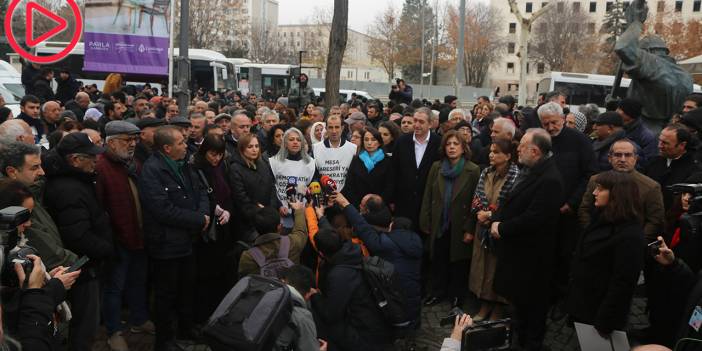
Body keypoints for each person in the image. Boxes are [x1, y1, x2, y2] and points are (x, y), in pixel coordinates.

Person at [489, 128, 563, 351]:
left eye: (521, 145)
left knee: (532, 308)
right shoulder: (531, 170)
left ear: (535, 151)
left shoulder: (550, 179)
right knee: (520, 305)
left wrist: (502, 228)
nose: (517, 149)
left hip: (532, 258)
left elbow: (534, 218)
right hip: (519, 254)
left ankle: (530, 344)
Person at [138, 126, 210, 350]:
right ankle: (165, 340)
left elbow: (199, 192)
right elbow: (162, 210)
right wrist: (198, 220)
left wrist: (203, 215)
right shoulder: (152, 170)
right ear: (167, 148)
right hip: (166, 244)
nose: (185, 145)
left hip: (188, 240)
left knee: (187, 289)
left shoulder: (185, 163)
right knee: (166, 295)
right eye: (180, 142)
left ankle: (185, 329)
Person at [43, 132, 114, 351]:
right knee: (84, 327)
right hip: (82, 269)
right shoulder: (68, 190)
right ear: (75, 159)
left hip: (85, 266)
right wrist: (108, 249)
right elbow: (78, 236)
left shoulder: (76, 180)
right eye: (91, 157)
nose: (96, 161)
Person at [95, 121, 153, 351]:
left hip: (138, 235)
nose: (132, 145)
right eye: (126, 140)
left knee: (138, 281)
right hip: (118, 239)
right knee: (114, 288)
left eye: (134, 140)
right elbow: (99, 209)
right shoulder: (100, 167)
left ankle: (139, 320)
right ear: (111, 142)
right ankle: (113, 331)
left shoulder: (132, 163)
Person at [568, 171, 644, 336]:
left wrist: (605, 320)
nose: (595, 193)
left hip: (599, 311)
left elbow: (623, 283)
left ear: (617, 194)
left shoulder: (630, 234)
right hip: (584, 302)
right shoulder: (601, 216)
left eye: (600, 189)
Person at [333, 192, 423, 327]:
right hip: (413, 306)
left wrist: (345, 204)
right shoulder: (416, 241)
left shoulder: (387, 244)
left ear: (392, 227)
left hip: (397, 306)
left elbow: (363, 229)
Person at [309, 212, 394, 350]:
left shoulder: (339, 276)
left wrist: (315, 296)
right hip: (376, 321)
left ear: (322, 254)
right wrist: (321, 217)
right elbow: (332, 237)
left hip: (364, 334)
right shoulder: (352, 250)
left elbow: (331, 314)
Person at [420, 130, 481, 308]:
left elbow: (475, 201)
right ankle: (437, 292)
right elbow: (428, 194)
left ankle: (456, 296)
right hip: (439, 222)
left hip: (459, 224)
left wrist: (470, 228)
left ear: (463, 148)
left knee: (458, 262)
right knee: (438, 259)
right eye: (448, 144)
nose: (452, 147)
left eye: (456, 144)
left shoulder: (473, 170)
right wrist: (425, 220)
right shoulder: (436, 167)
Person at [0, 141, 78, 270]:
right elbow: (42, 244)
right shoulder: (13, 202)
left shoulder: (33, 192)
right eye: (34, 167)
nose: (42, 172)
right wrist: (73, 264)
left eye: (40, 166)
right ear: (12, 172)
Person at [469, 139, 520, 321]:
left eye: (496, 152)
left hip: (498, 231)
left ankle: (497, 309)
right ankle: (484, 305)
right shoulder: (486, 173)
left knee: (495, 271)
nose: (491, 154)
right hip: (481, 229)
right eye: (491, 151)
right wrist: (480, 212)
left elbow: (510, 205)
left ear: (507, 156)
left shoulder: (515, 177)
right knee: (481, 268)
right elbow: (477, 196)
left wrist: (490, 215)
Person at [579, 139, 664, 241]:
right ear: (610, 158)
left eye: (628, 155)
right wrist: (592, 233)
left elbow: (655, 219)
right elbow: (584, 209)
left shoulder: (651, 187)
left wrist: (638, 240)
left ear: (635, 158)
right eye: (618, 155)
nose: (623, 159)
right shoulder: (596, 180)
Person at [190, 134, 235, 323]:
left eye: (220, 154)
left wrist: (228, 211)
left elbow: (228, 192)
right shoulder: (196, 169)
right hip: (207, 233)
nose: (216, 158)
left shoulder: (221, 167)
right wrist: (213, 208)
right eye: (212, 154)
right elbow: (196, 198)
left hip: (223, 228)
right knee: (206, 276)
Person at [392, 107, 441, 229]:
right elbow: (393, 171)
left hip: (426, 203)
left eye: (421, 122)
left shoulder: (439, 143)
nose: (417, 125)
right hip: (403, 202)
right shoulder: (402, 141)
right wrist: (391, 199)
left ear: (430, 124)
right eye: (415, 120)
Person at [229, 133, 279, 244]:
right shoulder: (235, 168)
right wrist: (260, 212)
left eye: (256, 146)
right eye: (250, 147)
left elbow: (272, 187)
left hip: (268, 219)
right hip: (249, 225)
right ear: (242, 149)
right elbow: (241, 198)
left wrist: (270, 211)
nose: (254, 150)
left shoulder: (263, 163)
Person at [238, 201, 308, 277]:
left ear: (256, 228)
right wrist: (298, 210)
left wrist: (262, 214)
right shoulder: (293, 243)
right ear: (279, 227)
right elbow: (301, 231)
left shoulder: (248, 257)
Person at [645, 123, 701, 211]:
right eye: (659, 141)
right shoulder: (653, 161)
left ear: (682, 145)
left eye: (665, 143)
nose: (659, 146)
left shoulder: (694, 168)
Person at [269, 127, 317, 229]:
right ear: (285, 143)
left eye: (298, 140)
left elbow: (311, 187)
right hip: (282, 211)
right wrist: (279, 206)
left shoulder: (310, 163)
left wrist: (309, 205)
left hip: (302, 212)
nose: (295, 142)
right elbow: (271, 187)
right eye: (291, 140)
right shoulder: (274, 162)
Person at [342, 127, 393, 208]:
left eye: (373, 140)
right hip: (358, 206)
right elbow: (349, 185)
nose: (369, 143)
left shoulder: (388, 161)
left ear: (379, 142)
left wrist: (379, 203)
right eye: (366, 139)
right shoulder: (356, 160)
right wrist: (359, 205)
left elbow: (390, 186)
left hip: (379, 207)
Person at [618, 98, 658, 168]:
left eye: (620, 109)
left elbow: (648, 163)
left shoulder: (647, 136)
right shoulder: (616, 127)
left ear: (627, 113)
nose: (617, 111)